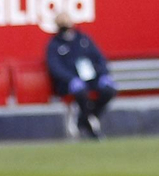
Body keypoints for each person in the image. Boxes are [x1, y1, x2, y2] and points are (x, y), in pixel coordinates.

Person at [46, 11, 116, 140]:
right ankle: (89, 124)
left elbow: (99, 58)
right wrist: (71, 79)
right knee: (81, 93)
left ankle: (84, 119)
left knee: (108, 91)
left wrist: (103, 75)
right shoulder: (54, 44)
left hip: (90, 78)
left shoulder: (83, 39)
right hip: (70, 82)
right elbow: (55, 67)